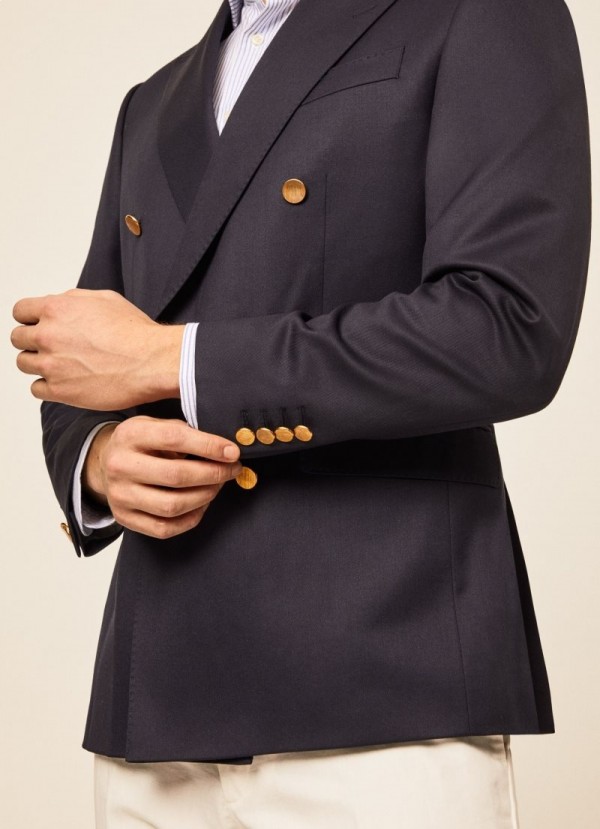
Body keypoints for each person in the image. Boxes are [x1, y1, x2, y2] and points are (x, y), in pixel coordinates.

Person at [10, 0, 591, 826]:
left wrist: (176, 361)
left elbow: (505, 326)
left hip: (385, 697)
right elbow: (86, 355)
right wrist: (100, 459)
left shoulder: (479, 13)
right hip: (157, 707)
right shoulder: (153, 102)